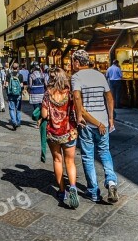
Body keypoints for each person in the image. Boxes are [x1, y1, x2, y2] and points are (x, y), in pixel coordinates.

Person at [71, 49, 119, 204]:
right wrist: (110, 118)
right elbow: (109, 97)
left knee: (88, 157)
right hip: (103, 122)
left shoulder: (76, 77)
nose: (72, 65)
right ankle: (111, 181)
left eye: (73, 62)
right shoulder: (99, 75)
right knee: (105, 152)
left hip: (87, 124)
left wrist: (79, 115)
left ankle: (93, 191)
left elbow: (77, 97)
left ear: (77, 62)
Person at [41, 67, 80, 209]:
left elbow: (44, 115)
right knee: (70, 161)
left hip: (53, 133)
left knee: (58, 160)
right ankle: (73, 187)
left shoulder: (48, 94)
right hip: (69, 131)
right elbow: (75, 110)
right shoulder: (69, 93)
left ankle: (62, 191)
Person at [6, 66, 24, 130]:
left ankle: (14, 122)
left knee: (11, 109)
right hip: (18, 94)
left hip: (10, 94)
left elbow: (6, 85)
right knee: (18, 109)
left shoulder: (8, 75)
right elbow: (21, 86)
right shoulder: (20, 75)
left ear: (12, 68)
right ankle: (18, 122)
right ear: (18, 68)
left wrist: (7, 92)